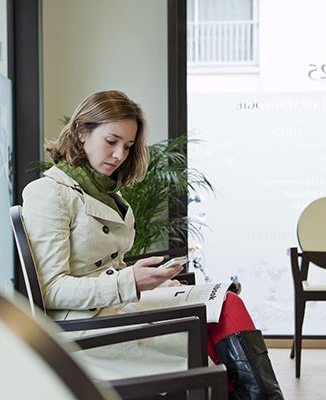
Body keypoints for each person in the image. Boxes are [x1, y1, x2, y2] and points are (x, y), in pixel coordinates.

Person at [22, 90, 284, 400]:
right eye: (111, 141)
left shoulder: (104, 193)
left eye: (128, 146)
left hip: (115, 310)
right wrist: (129, 281)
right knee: (216, 334)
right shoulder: (48, 193)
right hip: (84, 331)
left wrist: (154, 281)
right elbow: (50, 291)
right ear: (82, 132)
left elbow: (108, 268)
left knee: (226, 304)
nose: (119, 155)